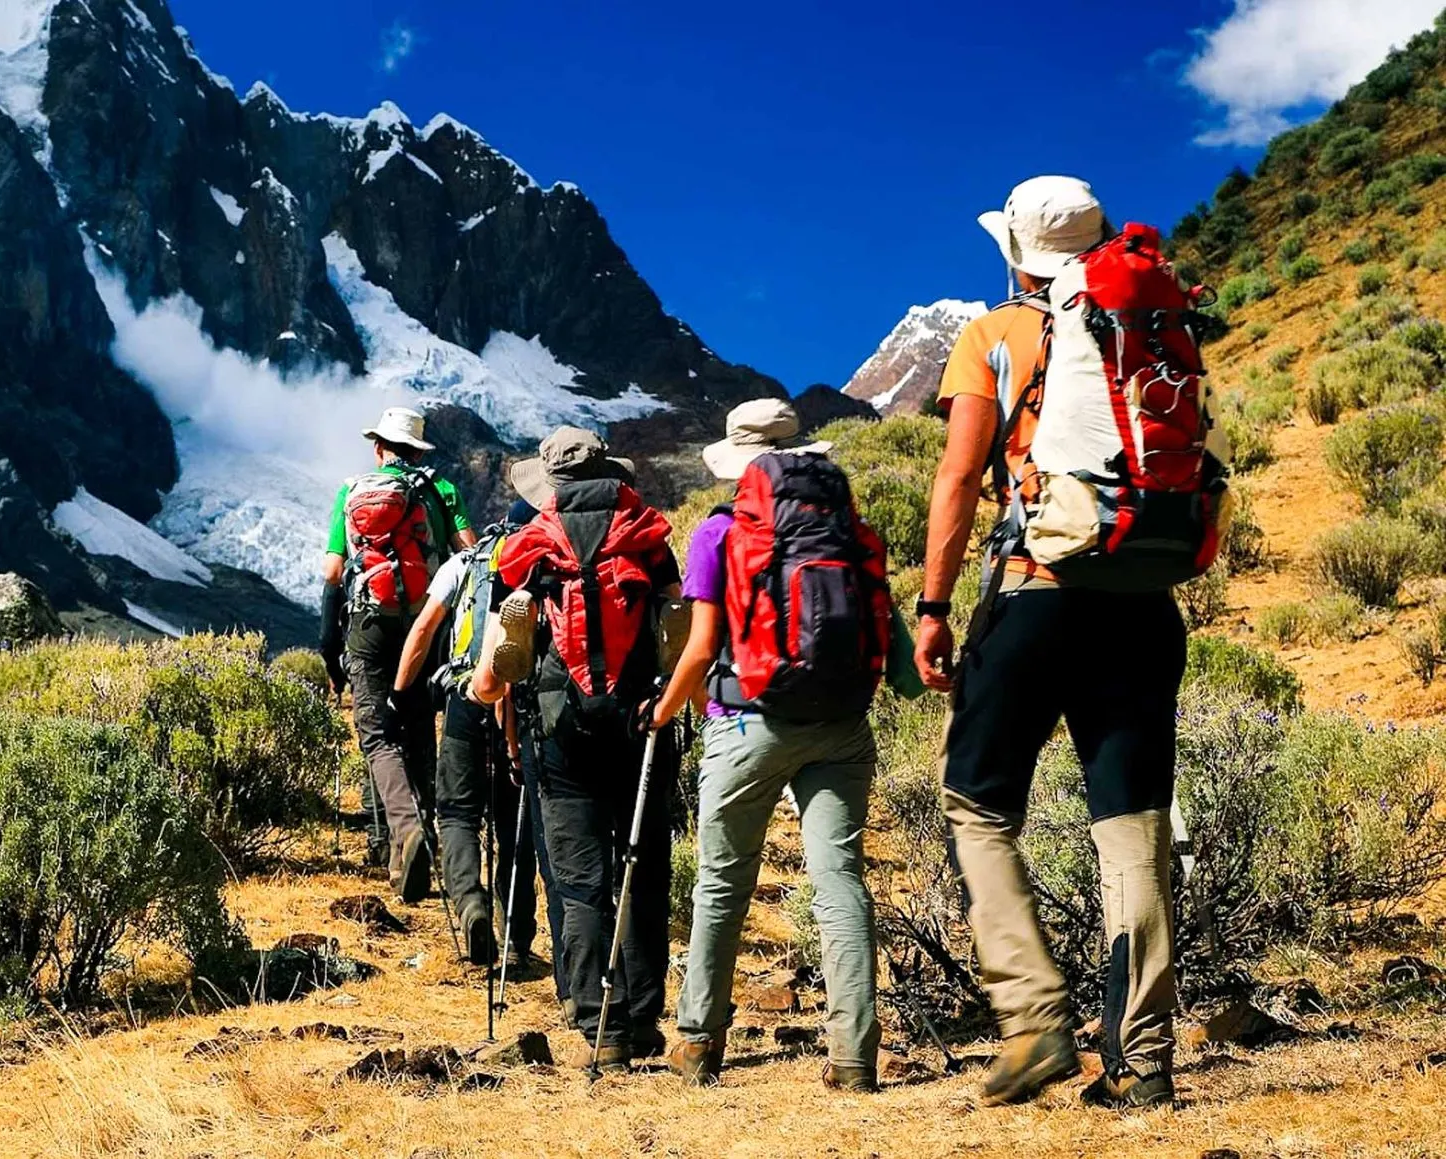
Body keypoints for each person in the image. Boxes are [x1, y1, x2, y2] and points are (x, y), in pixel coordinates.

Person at [916, 177, 1183, 1109]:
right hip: (1144, 601)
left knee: (977, 801)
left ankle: (1034, 1019)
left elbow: (958, 478)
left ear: (1014, 254)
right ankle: (1143, 1057)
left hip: (1037, 592)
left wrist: (934, 603)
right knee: (1133, 823)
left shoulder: (996, 334)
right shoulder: (1146, 320)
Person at [650, 398, 921, 1090]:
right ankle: (855, 1055)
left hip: (746, 723)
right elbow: (899, 654)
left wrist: (662, 710)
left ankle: (697, 1041)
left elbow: (704, 643)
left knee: (721, 880)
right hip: (840, 723)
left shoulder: (719, 533)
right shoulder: (848, 528)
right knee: (839, 879)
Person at [490, 427, 682, 1071]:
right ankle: (642, 1012)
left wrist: (506, 715)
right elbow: (675, 626)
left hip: (557, 721)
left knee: (579, 882)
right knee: (643, 866)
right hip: (641, 722)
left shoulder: (527, 548)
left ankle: (600, 1025)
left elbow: (496, 670)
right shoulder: (647, 535)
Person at [321, 406, 477, 903]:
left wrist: (330, 646)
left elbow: (330, 572)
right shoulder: (441, 490)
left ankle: (401, 836)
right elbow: (470, 554)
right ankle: (421, 840)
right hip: (422, 626)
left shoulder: (351, 491)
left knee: (376, 737)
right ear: (417, 450)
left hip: (367, 625)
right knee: (415, 728)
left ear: (379, 448)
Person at [393, 500, 542, 968]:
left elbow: (423, 628)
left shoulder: (466, 560)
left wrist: (400, 692)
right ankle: (516, 938)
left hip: (465, 699)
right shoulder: (539, 563)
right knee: (512, 819)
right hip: (518, 705)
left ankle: (470, 904)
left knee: (457, 812)